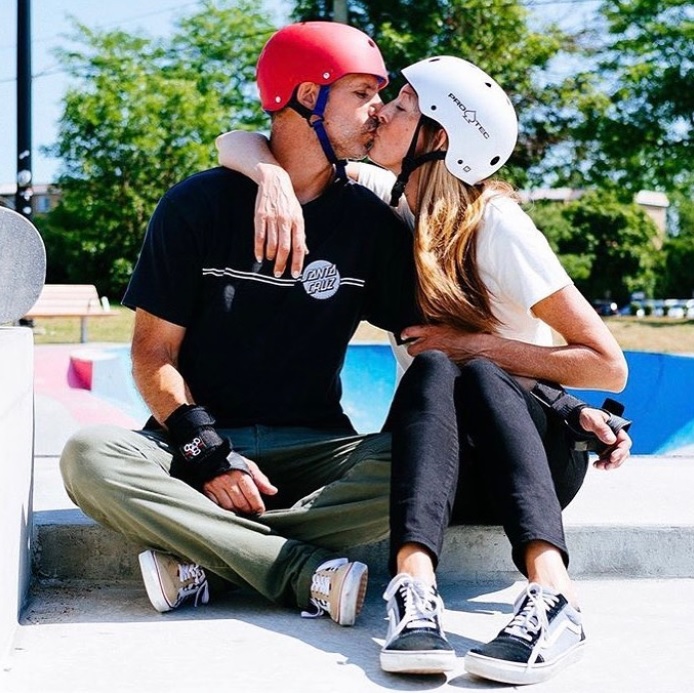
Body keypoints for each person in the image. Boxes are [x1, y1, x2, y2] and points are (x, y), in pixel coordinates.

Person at [215, 55, 631, 684]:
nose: (381, 112)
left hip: (532, 455)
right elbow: (239, 139)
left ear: (438, 139)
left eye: (402, 106)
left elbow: (606, 364)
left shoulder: (495, 225)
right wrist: (271, 177)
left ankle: (555, 598)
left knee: (464, 365)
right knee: (432, 367)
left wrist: (477, 345)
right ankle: (413, 596)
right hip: (441, 469)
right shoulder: (388, 199)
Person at [59, 21, 423, 628]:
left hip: (314, 447)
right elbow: (152, 354)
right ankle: (297, 569)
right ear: (309, 96)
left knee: (423, 459)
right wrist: (209, 455)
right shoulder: (196, 205)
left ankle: (210, 556)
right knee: (87, 455)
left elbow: (428, 335)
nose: (378, 112)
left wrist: (547, 395)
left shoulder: (373, 222)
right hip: (190, 445)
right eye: (362, 94)